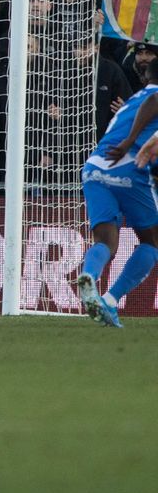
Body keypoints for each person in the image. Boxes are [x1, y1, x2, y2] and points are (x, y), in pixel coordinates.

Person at [75, 58, 158, 329]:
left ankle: (89, 275)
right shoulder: (151, 97)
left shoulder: (135, 97)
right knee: (153, 241)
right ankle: (111, 299)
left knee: (106, 242)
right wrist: (129, 142)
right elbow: (154, 102)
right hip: (128, 167)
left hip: (94, 167)